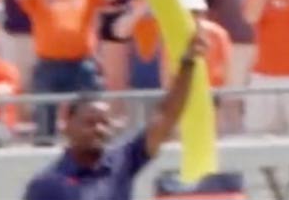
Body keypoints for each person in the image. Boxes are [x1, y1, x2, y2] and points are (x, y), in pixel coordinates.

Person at [21, 34, 200, 200]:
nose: (98, 129)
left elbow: (165, 117)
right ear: (68, 125)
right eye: (89, 123)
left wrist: (188, 64)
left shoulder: (122, 161)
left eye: (104, 123)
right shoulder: (46, 185)